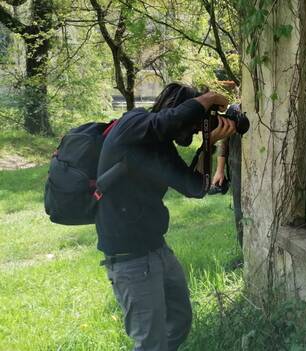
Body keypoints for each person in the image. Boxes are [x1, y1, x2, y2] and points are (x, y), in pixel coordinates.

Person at [96, 83, 236, 351]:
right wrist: (208, 99)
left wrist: (208, 145)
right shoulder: (133, 123)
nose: (197, 128)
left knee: (180, 321)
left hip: (156, 248)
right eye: (197, 122)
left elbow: (193, 187)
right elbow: (169, 121)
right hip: (129, 258)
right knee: (150, 343)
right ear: (178, 109)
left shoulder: (162, 148)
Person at [212, 106, 243, 248]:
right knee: (239, 211)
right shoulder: (233, 111)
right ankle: (244, 251)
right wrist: (219, 170)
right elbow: (224, 143)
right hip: (236, 169)